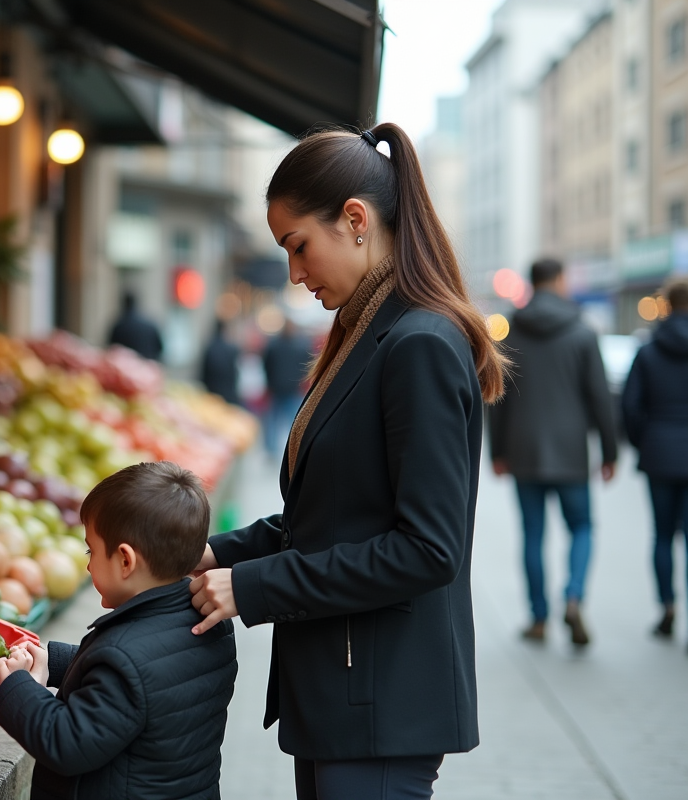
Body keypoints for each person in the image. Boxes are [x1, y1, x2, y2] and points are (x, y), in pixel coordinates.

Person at [188, 123, 507, 800]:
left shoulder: (416, 342)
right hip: (349, 695)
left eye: (298, 246)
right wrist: (214, 555)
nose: (295, 274)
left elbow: (427, 549)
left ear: (355, 220)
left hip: (383, 703)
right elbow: (332, 516)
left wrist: (254, 590)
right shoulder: (368, 333)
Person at [0, 461, 237, 800]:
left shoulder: (126, 657)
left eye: (91, 550)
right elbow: (148, 680)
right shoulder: (209, 621)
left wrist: (19, 688)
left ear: (125, 560)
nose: (88, 564)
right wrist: (55, 661)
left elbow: (67, 742)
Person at [489, 258, 617, 646]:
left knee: (533, 534)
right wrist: (610, 451)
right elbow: (600, 397)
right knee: (581, 526)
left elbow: (498, 397)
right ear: (560, 281)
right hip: (570, 451)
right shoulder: (581, 332)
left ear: (531, 284)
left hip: (523, 449)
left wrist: (497, 450)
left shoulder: (511, 334)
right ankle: (574, 597)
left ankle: (539, 618)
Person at [623, 277, 688, 639]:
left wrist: (643, 443)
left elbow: (631, 407)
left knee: (663, 536)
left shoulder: (648, 350)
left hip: (660, 453)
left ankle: (667, 606)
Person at [262, 319, 315, 457]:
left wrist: (269, 381)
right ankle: (293, 447)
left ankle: (272, 450)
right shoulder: (302, 345)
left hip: (277, 387)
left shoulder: (273, 345)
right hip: (293, 388)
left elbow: (266, 364)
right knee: (294, 420)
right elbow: (307, 366)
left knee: (274, 420)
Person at [108, 291, 163, 361]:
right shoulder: (150, 324)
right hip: (148, 366)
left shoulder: (118, 326)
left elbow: (112, 350)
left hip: (126, 369)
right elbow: (159, 349)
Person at [200, 318, 241, 404]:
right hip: (228, 392)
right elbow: (234, 372)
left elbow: (204, 372)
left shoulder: (210, 347)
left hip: (212, 391)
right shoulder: (231, 349)